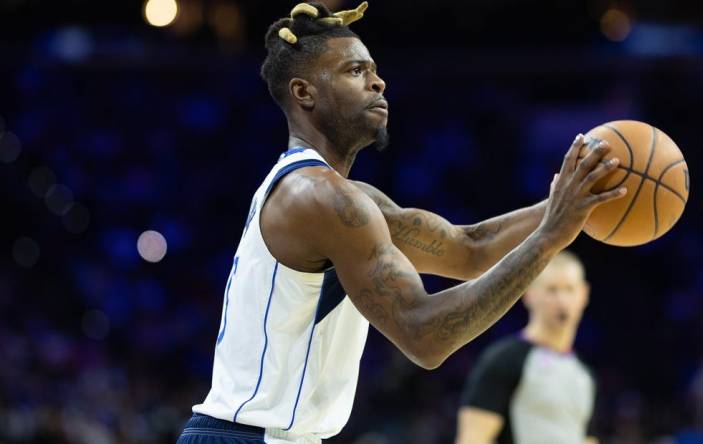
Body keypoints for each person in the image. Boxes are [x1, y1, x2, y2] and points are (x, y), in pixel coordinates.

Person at [177, 2, 626, 443]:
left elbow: (468, 249)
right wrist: (550, 237)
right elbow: (425, 336)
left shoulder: (345, 197)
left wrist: (571, 203)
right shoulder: (317, 198)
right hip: (249, 437)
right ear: (304, 93)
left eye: (373, 69)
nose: (378, 81)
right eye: (355, 71)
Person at [456, 251, 599, 444]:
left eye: (569, 289)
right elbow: (472, 439)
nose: (562, 300)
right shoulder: (504, 359)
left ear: (584, 294)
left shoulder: (583, 373)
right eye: (552, 290)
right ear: (529, 294)